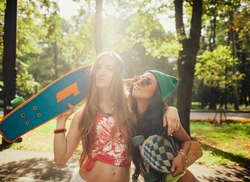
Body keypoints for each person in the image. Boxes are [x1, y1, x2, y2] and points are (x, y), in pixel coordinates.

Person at [53, 52, 181, 182]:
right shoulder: (85, 112)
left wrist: (170, 109)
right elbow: (60, 159)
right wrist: (61, 121)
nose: (101, 72)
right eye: (98, 67)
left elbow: (153, 102)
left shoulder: (131, 107)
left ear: (118, 75)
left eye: (109, 69)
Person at [130, 70, 198, 182]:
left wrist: (181, 155)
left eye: (147, 81)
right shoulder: (127, 117)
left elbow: (186, 140)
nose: (139, 82)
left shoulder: (165, 119)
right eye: (139, 78)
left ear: (157, 93)